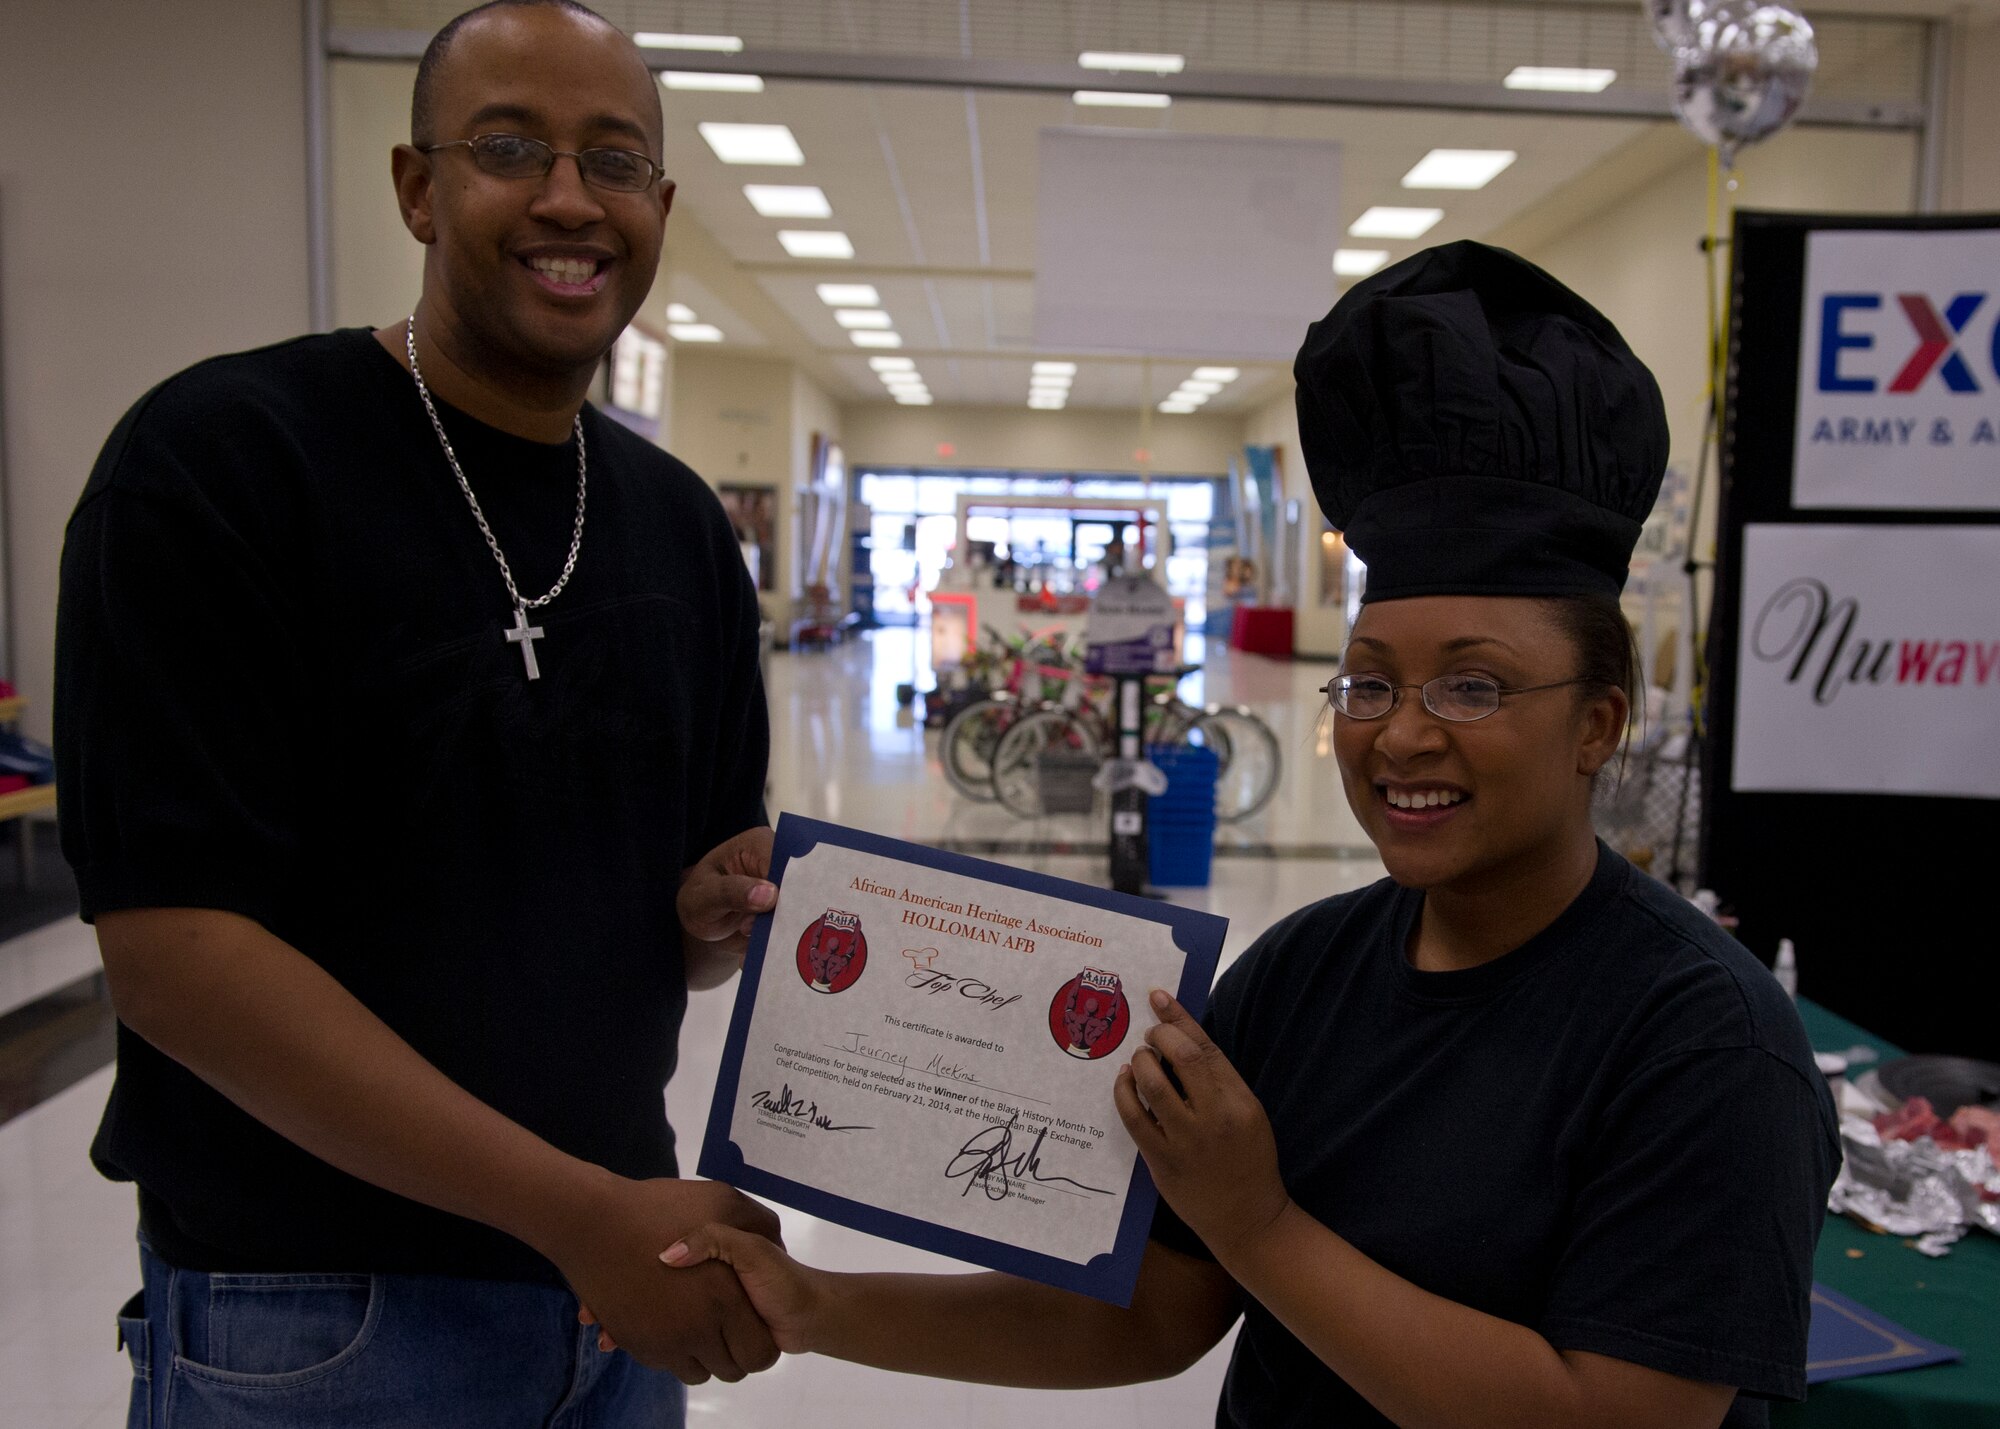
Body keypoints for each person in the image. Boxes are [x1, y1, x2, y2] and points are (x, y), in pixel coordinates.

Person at [639, 243, 1840, 1428]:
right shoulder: (1301, 975)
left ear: (1596, 722)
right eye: (1367, 684)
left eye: (1470, 688)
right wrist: (814, 1301)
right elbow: (1152, 1315)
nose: (1399, 735)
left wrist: (1256, 1220)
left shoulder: (1703, 1043)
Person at [55, 3, 783, 1424]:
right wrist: (579, 1213)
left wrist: (706, 917)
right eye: (511, 147)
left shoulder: (680, 530)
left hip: (614, 1307)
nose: (569, 198)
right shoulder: (224, 463)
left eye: (614, 160)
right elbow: (175, 955)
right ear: (417, 186)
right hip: (316, 1312)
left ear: (659, 206)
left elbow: (680, 944)